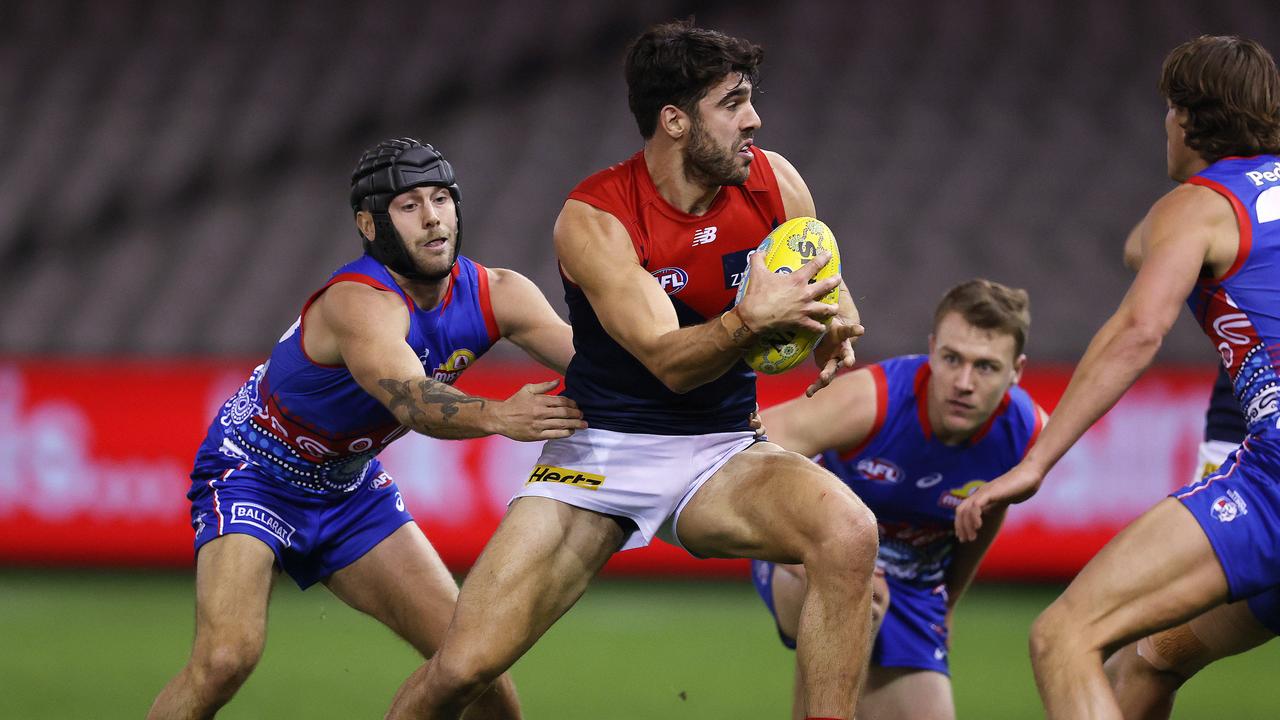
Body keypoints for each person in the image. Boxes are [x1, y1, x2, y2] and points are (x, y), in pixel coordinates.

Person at [386, 20, 877, 720]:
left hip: (723, 450)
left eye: (750, 100)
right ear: (674, 120)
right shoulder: (596, 219)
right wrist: (749, 322)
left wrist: (833, 319)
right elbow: (669, 363)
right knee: (464, 666)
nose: (754, 119)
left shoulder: (774, 183)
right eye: (733, 103)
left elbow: (820, 267)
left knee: (849, 533)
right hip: (603, 454)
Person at [147, 137, 586, 719]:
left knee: (475, 667)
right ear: (371, 224)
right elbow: (413, 401)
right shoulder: (358, 302)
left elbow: (595, 366)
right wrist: (501, 415)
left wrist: (710, 360)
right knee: (227, 658)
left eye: (440, 199)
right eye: (408, 206)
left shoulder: (500, 292)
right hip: (254, 472)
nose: (432, 217)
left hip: (347, 488)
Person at [952, 35, 1280, 718]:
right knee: (1153, 660)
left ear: (1188, 118)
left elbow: (1139, 331)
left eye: (1168, 109)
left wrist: (1037, 462)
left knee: (1064, 634)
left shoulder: (1199, 207)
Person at [753, 279, 1046, 720]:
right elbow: (749, 451)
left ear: (1016, 371)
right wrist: (807, 556)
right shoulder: (874, 399)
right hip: (812, 553)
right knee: (858, 602)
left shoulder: (1027, 435)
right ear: (932, 348)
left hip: (914, 581)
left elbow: (987, 513)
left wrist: (945, 609)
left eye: (985, 367)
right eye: (951, 359)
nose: (963, 382)